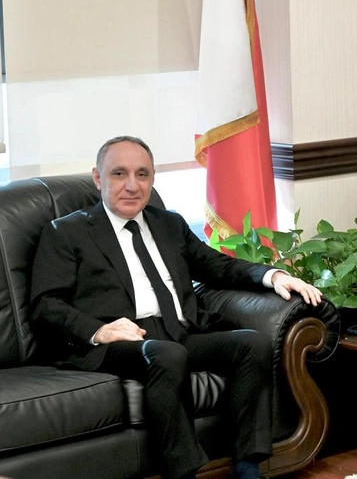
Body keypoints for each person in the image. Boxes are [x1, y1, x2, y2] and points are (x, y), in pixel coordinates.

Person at [30, 136, 323, 479]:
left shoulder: (169, 224)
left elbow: (217, 266)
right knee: (168, 355)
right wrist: (99, 330)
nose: (132, 185)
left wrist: (272, 276)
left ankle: (247, 466)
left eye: (142, 174)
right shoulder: (67, 232)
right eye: (119, 173)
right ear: (98, 178)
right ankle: (183, 474)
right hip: (119, 341)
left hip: (179, 332)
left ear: (152, 178)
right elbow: (46, 304)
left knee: (251, 343)